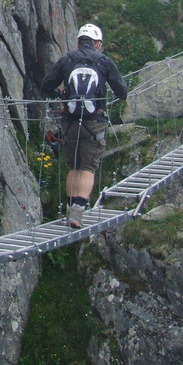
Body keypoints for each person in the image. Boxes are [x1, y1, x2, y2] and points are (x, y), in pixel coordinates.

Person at [41, 24, 128, 229]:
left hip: (69, 123)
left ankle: (71, 208)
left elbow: (46, 84)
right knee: (88, 167)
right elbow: (122, 92)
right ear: (97, 44)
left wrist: (61, 97)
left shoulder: (67, 59)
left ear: (79, 42)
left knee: (74, 166)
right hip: (94, 124)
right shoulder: (104, 61)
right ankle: (77, 213)